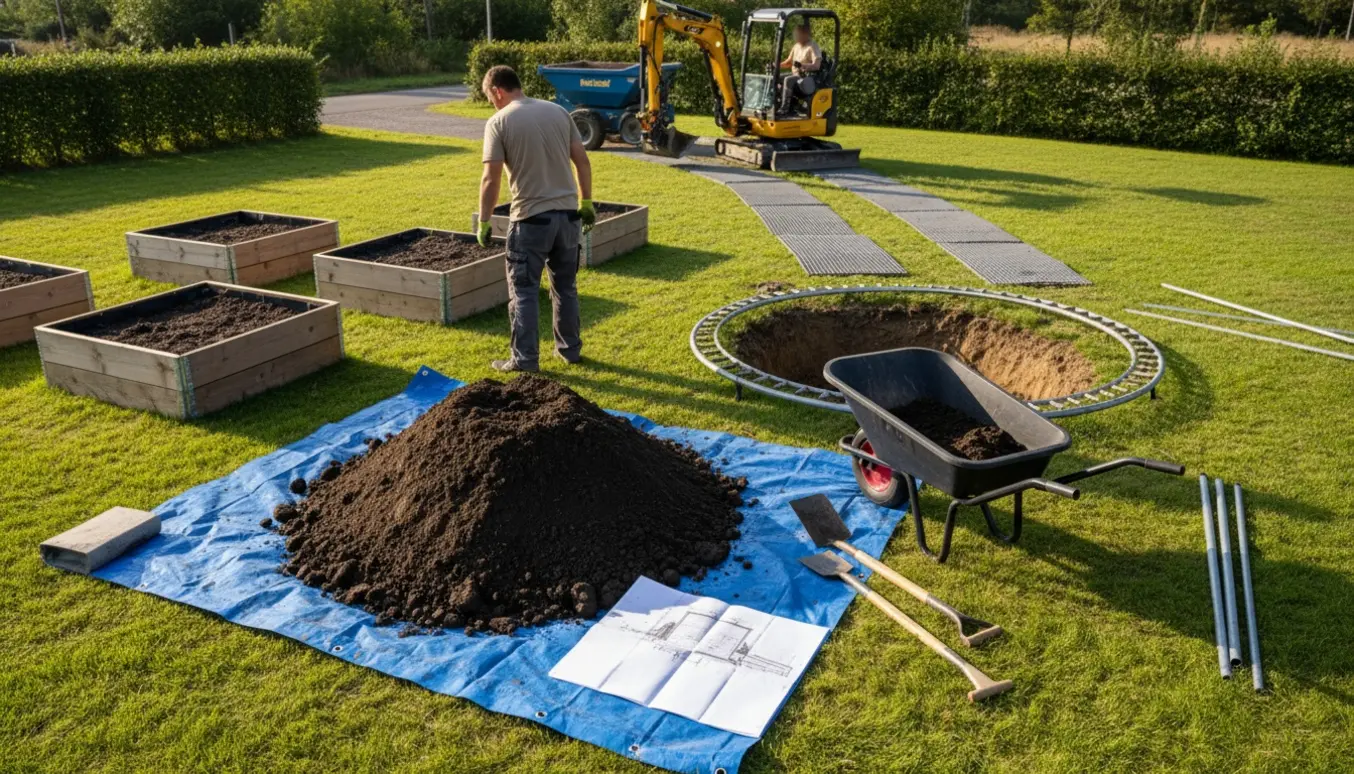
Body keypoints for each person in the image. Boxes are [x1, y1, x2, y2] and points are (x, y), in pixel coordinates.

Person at [477, 64, 595, 373]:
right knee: (565, 287)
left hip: (530, 220)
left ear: (497, 91)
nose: (492, 104)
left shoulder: (498, 122)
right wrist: (586, 202)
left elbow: (490, 178)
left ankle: (524, 360)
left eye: (490, 98)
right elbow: (582, 161)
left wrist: (484, 220)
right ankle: (570, 350)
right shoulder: (558, 112)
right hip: (568, 218)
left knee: (524, 291)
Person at [779, 21, 822, 115]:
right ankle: (776, 105)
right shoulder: (796, 46)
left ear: (804, 34)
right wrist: (776, 65)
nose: (795, 37)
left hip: (805, 76)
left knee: (788, 80)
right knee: (776, 77)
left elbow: (816, 65)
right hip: (795, 74)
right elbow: (788, 62)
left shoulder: (812, 46)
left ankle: (785, 109)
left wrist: (802, 65)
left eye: (797, 34)